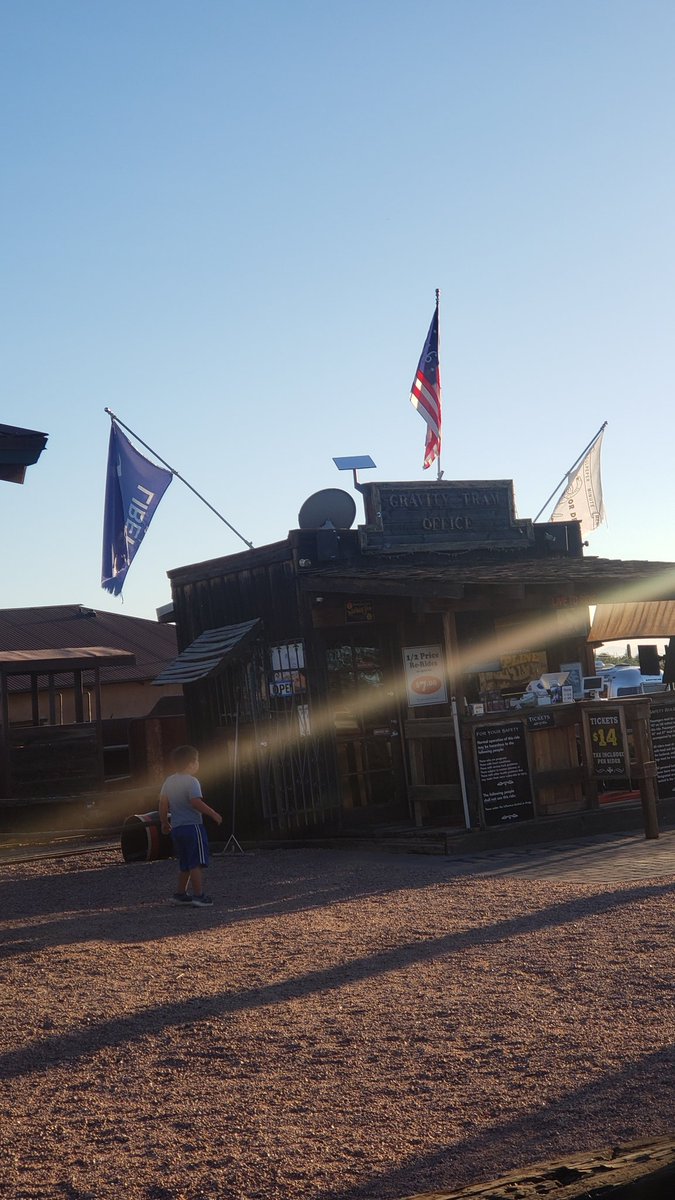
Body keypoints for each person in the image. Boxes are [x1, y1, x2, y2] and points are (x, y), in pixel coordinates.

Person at [158, 744, 222, 907]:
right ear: (191, 763)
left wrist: (165, 822)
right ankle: (199, 895)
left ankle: (180, 893)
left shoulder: (169, 781)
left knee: (185, 862)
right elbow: (195, 802)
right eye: (197, 761)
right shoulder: (192, 781)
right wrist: (213, 813)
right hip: (193, 826)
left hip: (177, 827)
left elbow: (163, 804)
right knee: (196, 862)